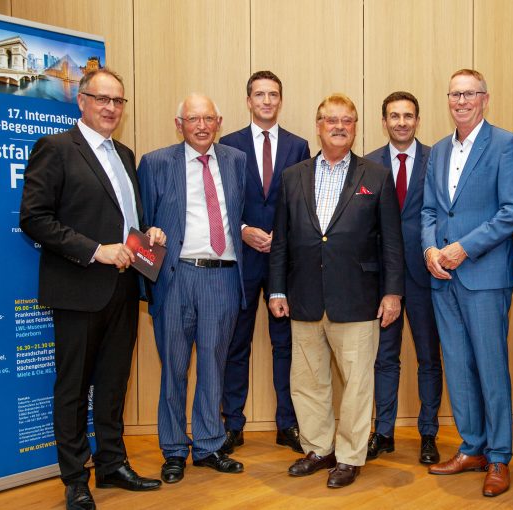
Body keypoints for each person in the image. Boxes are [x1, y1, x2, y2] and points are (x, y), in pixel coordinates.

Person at [20, 69, 165, 510]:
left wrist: (147, 234)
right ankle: (74, 478)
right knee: (73, 387)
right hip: (78, 288)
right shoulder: (57, 149)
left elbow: (122, 220)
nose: (110, 108)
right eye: (102, 98)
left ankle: (112, 464)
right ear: (81, 101)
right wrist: (94, 251)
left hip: (123, 290)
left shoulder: (124, 153)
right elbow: (35, 218)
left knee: (113, 383)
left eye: (118, 101)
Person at [268, 93, 403, 488]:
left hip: (358, 298)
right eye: (332, 120)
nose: (339, 126)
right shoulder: (293, 176)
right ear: (319, 124)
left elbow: (392, 242)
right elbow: (281, 242)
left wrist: (392, 292)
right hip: (304, 297)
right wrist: (276, 290)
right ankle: (319, 448)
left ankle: (349, 455)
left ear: (356, 127)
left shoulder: (375, 175)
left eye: (347, 120)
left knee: (358, 383)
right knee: (308, 381)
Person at [420, 69, 513, 497]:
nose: (461, 101)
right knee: (459, 367)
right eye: (455, 94)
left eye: (470, 94)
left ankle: (499, 457)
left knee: (490, 366)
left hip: (483, 275)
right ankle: (472, 447)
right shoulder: (440, 150)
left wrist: (464, 248)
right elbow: (429, 210)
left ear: (485, 98)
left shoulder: (504, 144)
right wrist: (431, 252)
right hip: (442, 276)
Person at [138, 93, 247, 485]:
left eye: (208, 119)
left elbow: (241, 215)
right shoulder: (155, 163)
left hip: (222, 276)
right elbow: (141, 220)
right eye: (192, 119)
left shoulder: (236, 161)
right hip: (176, 276)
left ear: (219, 122)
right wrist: (149, 233)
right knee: (174, 367)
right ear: (178, 123)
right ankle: (173, 450)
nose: (201, 126)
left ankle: (208, 445)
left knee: (214, 366)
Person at [218, 71, 311, 454]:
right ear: (248, 100)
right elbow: (218, 201)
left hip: (282, 262)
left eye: (273, 94)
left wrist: (282, 239)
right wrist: (241, 229)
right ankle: (233, 424)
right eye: (260, 94)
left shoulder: (299, 145)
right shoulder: (228, 144)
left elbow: (303, 203)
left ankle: (287, 423)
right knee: (235, 344)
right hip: (240, 260)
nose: (267, 101)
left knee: (285, 345)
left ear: (281, 100)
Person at [364, 91, 442, 465]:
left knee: (429, 357)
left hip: (428, 274)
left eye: (408, 116)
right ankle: (384, 432)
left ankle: (428, 433)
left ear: (417, 120)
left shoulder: (437, 159)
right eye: (394, 116)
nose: (401, 122)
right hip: (382, 279)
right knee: (385, 358)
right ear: (384, 121)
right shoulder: (366, 165)